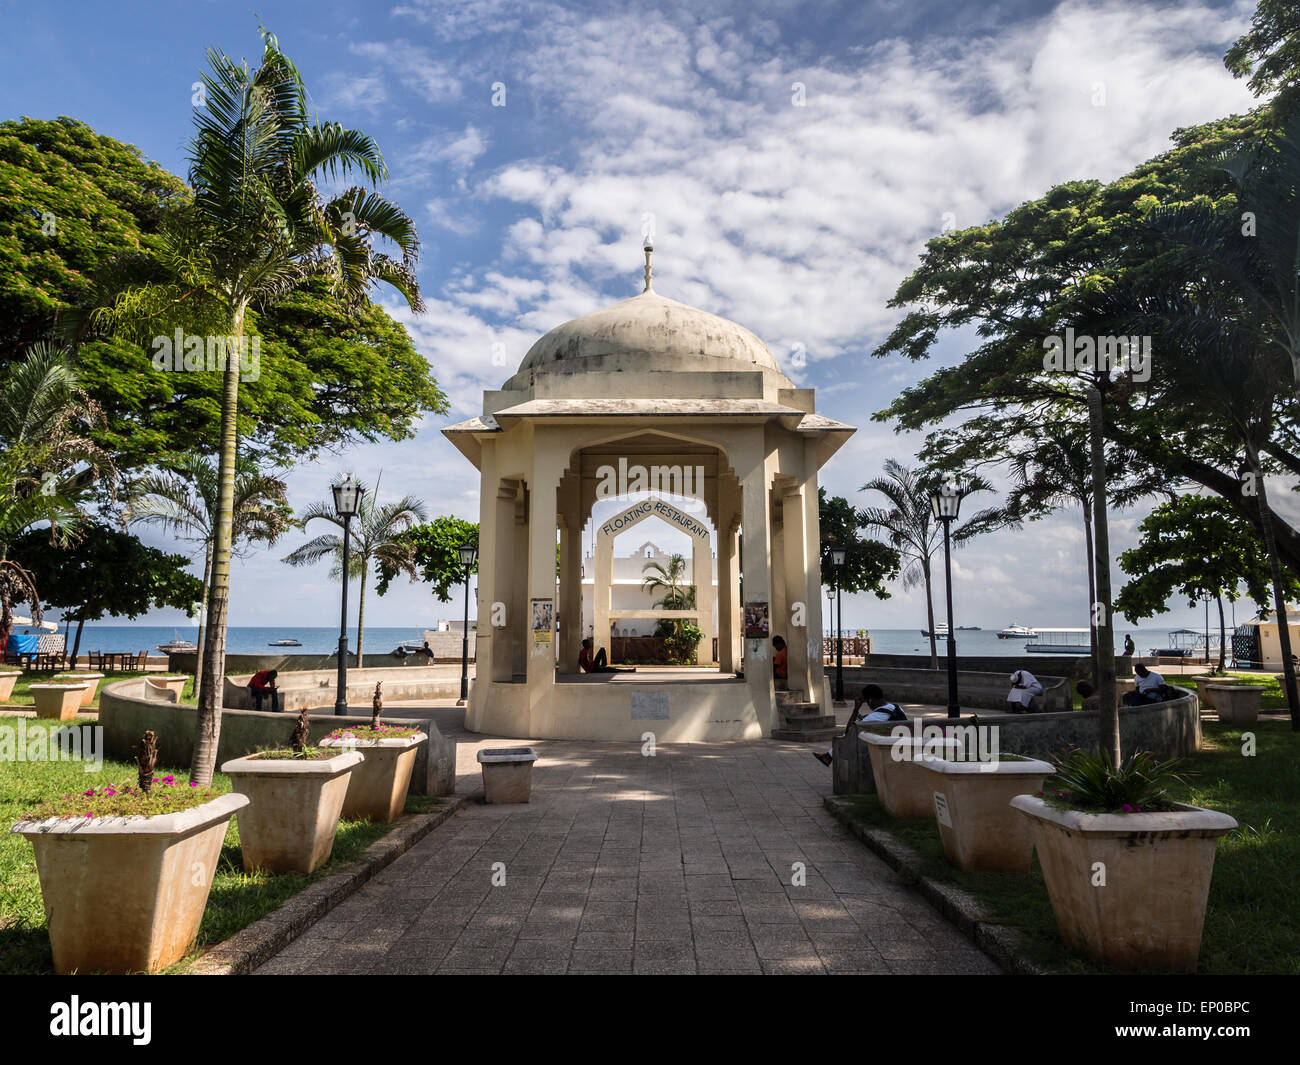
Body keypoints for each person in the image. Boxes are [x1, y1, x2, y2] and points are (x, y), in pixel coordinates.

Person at [813, 683, 906, 767]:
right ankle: (828, 755)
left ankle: (829, 756)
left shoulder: (875, 716)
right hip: (898, 743)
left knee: (848, 737)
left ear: (870, 700)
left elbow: (849, 730)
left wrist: (856, 709)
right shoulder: (896, 707)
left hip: (886, 747)